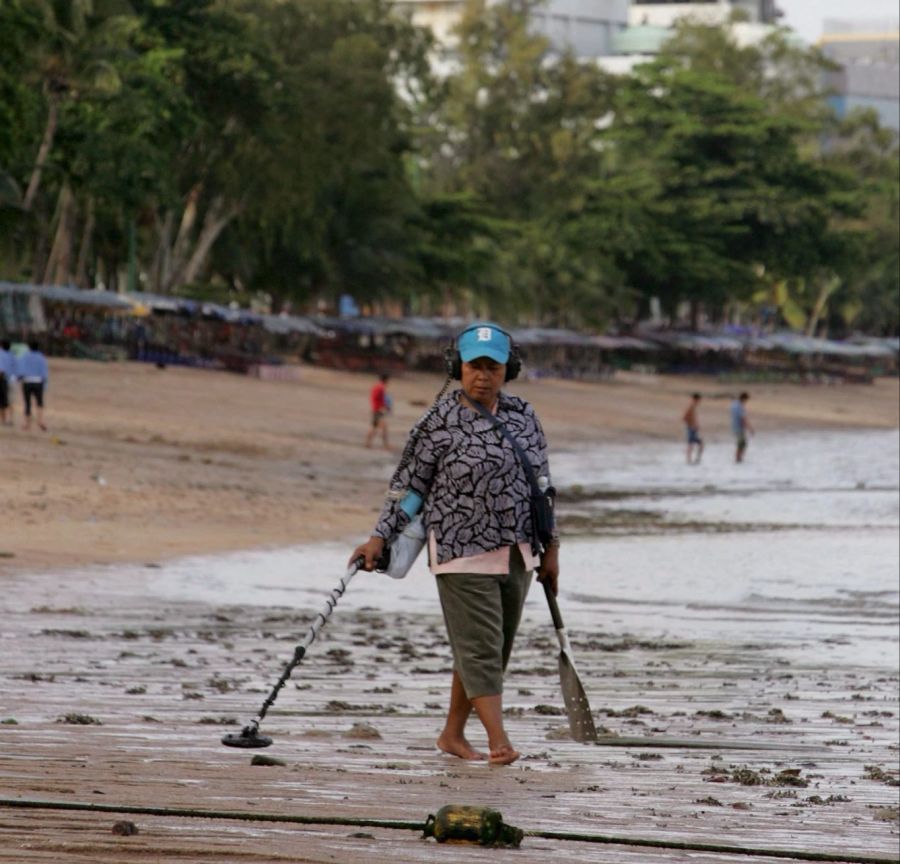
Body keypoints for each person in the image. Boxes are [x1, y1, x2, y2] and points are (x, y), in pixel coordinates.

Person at [350, 323, 560, 767]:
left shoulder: (523, 414)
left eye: (492, 367)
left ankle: (451, 734)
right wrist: (379, 535)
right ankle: (499, 741)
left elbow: (542, 485)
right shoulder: (436, 422)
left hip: (518, 552)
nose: (482, 375)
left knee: (488, 650)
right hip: (459, 551)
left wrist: (552, 548)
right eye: (473, 366)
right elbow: (410, 488)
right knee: (481, 648)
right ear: (457, 367)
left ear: (509, 370)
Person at [18, 340, 49, 432]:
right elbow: (44, 372)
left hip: (27, 381)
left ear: (29, 347)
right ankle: (40, 421)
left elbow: (21, 370)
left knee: (27, 403)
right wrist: (45, 384)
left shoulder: (24, 357)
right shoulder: (41, 358)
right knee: (39, 402)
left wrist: (19, 378)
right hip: (38, 382)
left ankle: (27, 424)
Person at [365, 373, 391, 450]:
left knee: (375, 427)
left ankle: (368, 443)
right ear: (386, 380)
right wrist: (384, 407)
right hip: (378, 410)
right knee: (382, 427)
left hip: (376, 409)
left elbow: (374, 398)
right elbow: (380, 399)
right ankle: (385, 445)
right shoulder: (381, 388)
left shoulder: (376, 386)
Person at [731, 392, 753, 463]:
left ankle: (738, 458)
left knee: (740, 443)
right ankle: (738, 458)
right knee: (742, 444)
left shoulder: (734, 404)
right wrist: (750, 428)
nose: (746, 402)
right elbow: (743, 419)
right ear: (744, 399)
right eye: (746, 400)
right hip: (739, 428)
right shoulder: (740, 406)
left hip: (734, 426)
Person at [682, 393, 703, 464]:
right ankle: (690, 460)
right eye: (699, 400)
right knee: (691, 444)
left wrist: (696, 425)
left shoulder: (693, 406)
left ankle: (694, 459)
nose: (700, 402)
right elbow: (684, 417)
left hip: (692, 429)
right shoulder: (691, 406)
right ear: (696, 399)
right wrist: (692, 425)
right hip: (691, 429)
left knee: (694, 444)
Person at [0, 340, 15, 426]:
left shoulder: (1, 354)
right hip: (12, 380)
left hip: (3, 380)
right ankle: (11, 419)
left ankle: (3, 420)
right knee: (10, 401)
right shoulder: (12, 355)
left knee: (2, 402)